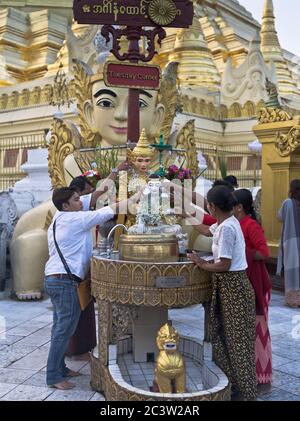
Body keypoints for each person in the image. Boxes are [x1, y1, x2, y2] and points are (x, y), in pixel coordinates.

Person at [44, 186, 139, 390]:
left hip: (56, 278)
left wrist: (109, 180)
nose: (81, 202)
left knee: (59, 327)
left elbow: (91, 199)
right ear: (66, 205)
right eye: (76, 200)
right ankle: (53, 376)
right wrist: (137, 197)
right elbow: (109, 210)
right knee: (63, 329)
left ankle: (60, 368)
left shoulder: (61, 217)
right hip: (64, 280)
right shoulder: (75, 219)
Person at [188, 186, 257, 401]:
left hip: (234, 287)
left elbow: (224, 265)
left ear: (213, 207)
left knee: (238, 344)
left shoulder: (228, 228)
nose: (207, 207)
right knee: (220, 337)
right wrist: (185, 216)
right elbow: (207, 231)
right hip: (227, 287)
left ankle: (246, 393)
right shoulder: (224, 223)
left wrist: (201, 263)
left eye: (208, 204)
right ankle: (233, 386)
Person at [233, 189, 272, 387]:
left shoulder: (251, 225)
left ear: (239, 207)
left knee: (258, 330)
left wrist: (241, 253)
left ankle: (261, 375)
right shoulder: (237, 224)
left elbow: (264, 253)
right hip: (247, 281)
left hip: (256, 282)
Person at [277, 179, 300, 307]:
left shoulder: (288, 203)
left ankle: (294, 299)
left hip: (291, 241)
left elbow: (279, 216)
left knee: (292, 270)